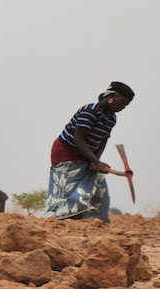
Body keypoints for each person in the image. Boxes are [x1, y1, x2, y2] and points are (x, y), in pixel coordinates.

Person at [44, 81, 134, 223]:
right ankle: (59, 217)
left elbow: (103, 140)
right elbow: (78, 139)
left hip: (87, 154)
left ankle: (95, 221)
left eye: (126, 105)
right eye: (122, 102)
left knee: (97, 181)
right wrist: (96, 161)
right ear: (111, 97)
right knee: (67, 185)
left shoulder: (111, 118)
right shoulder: (90, 111)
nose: (122, 107)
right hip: (67, 152)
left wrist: (95, 161)